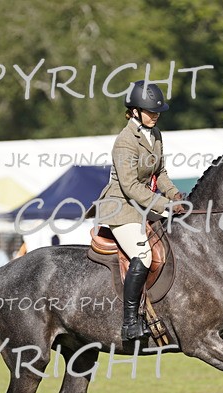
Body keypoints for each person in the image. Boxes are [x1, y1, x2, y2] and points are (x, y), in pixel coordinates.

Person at [87, 80, 184, 342]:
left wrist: (175, 194)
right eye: (150, 111)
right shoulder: (125, 141)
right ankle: (130, 322)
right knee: (142, 253)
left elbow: (160, 173)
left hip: (143, 205)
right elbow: (129, 186)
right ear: (134, 111)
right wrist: (165, 205)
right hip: (121, 207)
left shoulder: (156, 135)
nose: (156, 115)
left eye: (157, 111)